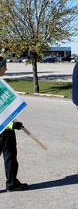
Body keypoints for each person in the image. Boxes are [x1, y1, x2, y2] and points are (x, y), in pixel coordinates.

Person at [0, 55, 28, 191]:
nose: (6, 68)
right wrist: (12, 125)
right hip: (3, 131)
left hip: (5, 127)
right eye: (4, 66)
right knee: (9, 156)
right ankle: (12, 183)